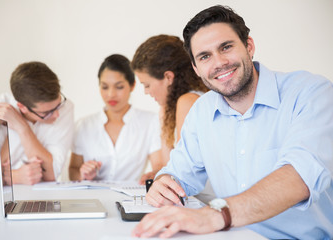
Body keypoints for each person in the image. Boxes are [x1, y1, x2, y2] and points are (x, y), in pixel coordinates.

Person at [132, 5, 333, 240]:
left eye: (226, 47)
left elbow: (300, 176)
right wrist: (164, 183)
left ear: (249, 46)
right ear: (196, 69)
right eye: (205, 56)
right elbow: (179, 174)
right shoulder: (201, 111)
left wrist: (217, 214)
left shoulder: (312, 93)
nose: (219, 63)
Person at [0, 61, 74, 185]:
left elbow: (51, 173)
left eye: (58, 105)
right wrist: (13, 176)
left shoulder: (65, 108)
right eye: (47, 112)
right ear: (22, 106)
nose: (56, 115)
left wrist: (22, 128)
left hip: (40, 197)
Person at [69, 54, 162, 184]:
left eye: (119, 87)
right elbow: (73, 170)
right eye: (105, 87)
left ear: (132, 86)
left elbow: (159, 166)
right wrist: (83, 174)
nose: (111, 94)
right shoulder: (84, 125)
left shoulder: (150, 121)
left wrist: (153, 175)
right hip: (92, 197)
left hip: (129, 199)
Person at [131, 34, 208, 164]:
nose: (146, 92)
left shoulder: (188, 102)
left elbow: (182, 169)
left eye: (147, 85)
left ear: (168, 77)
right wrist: (164, 115)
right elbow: (171, 167)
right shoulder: (182, 103)